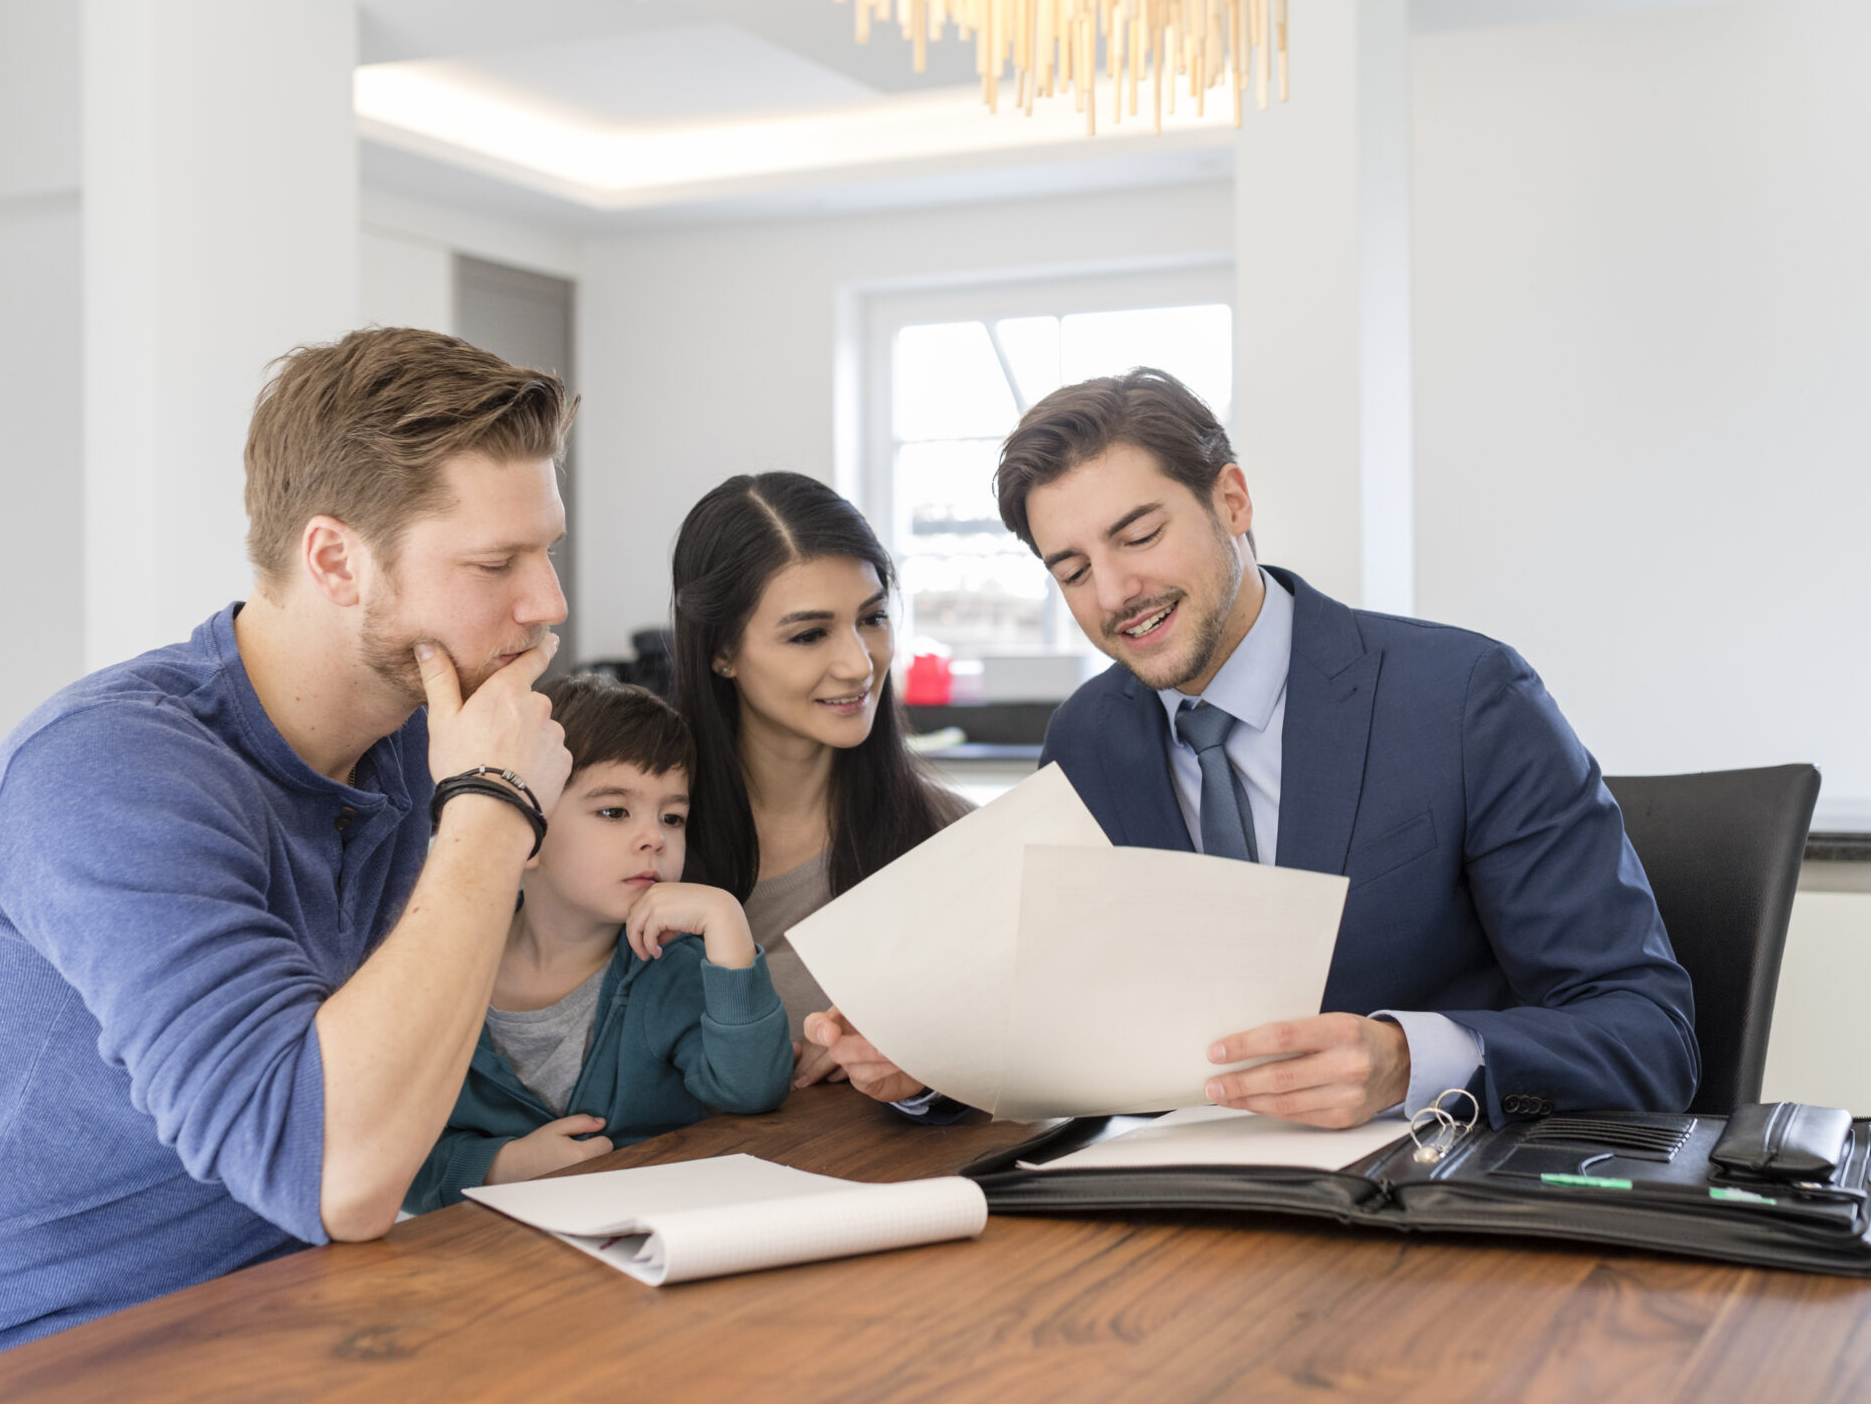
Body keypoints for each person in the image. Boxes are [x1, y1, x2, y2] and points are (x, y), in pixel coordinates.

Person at [0, 327, 577, 1404]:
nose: (546, 602)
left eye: (547, 551)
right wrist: (493, 814)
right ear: (333, 559)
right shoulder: (107, 771)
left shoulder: (420, 741)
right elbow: (335, 1173)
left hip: (260, 1342)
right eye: (495, 564)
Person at [814, 369, 1698, 1128]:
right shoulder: (1088, 738)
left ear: (1231, 499)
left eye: (1140, 534)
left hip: (1431, 1207)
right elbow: (1064, 1028)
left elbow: (1648, 1032)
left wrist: (1406, 1058)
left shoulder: (1465, 698)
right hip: (1187, 1217)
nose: (1117, 592)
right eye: (1073, 570)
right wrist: (929, 1059)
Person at [404, 676, 793, 1212]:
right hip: (488, 1262)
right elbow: (397, 1153)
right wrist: (501, 1167)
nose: (655, 837)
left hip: (645, 1242)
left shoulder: (672, 965)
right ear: (525, 830)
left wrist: (727, 924)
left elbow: (752, 1091)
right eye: (614, 811)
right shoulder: (436, 971)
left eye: (673, 817)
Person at [666, 472, 968, 1097]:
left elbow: (1017, 1071)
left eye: (873, 618)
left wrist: (925, 1072)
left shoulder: (951, 841)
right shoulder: (636, 837)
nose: (859, 663)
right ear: (721, 651)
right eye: (809, 634)